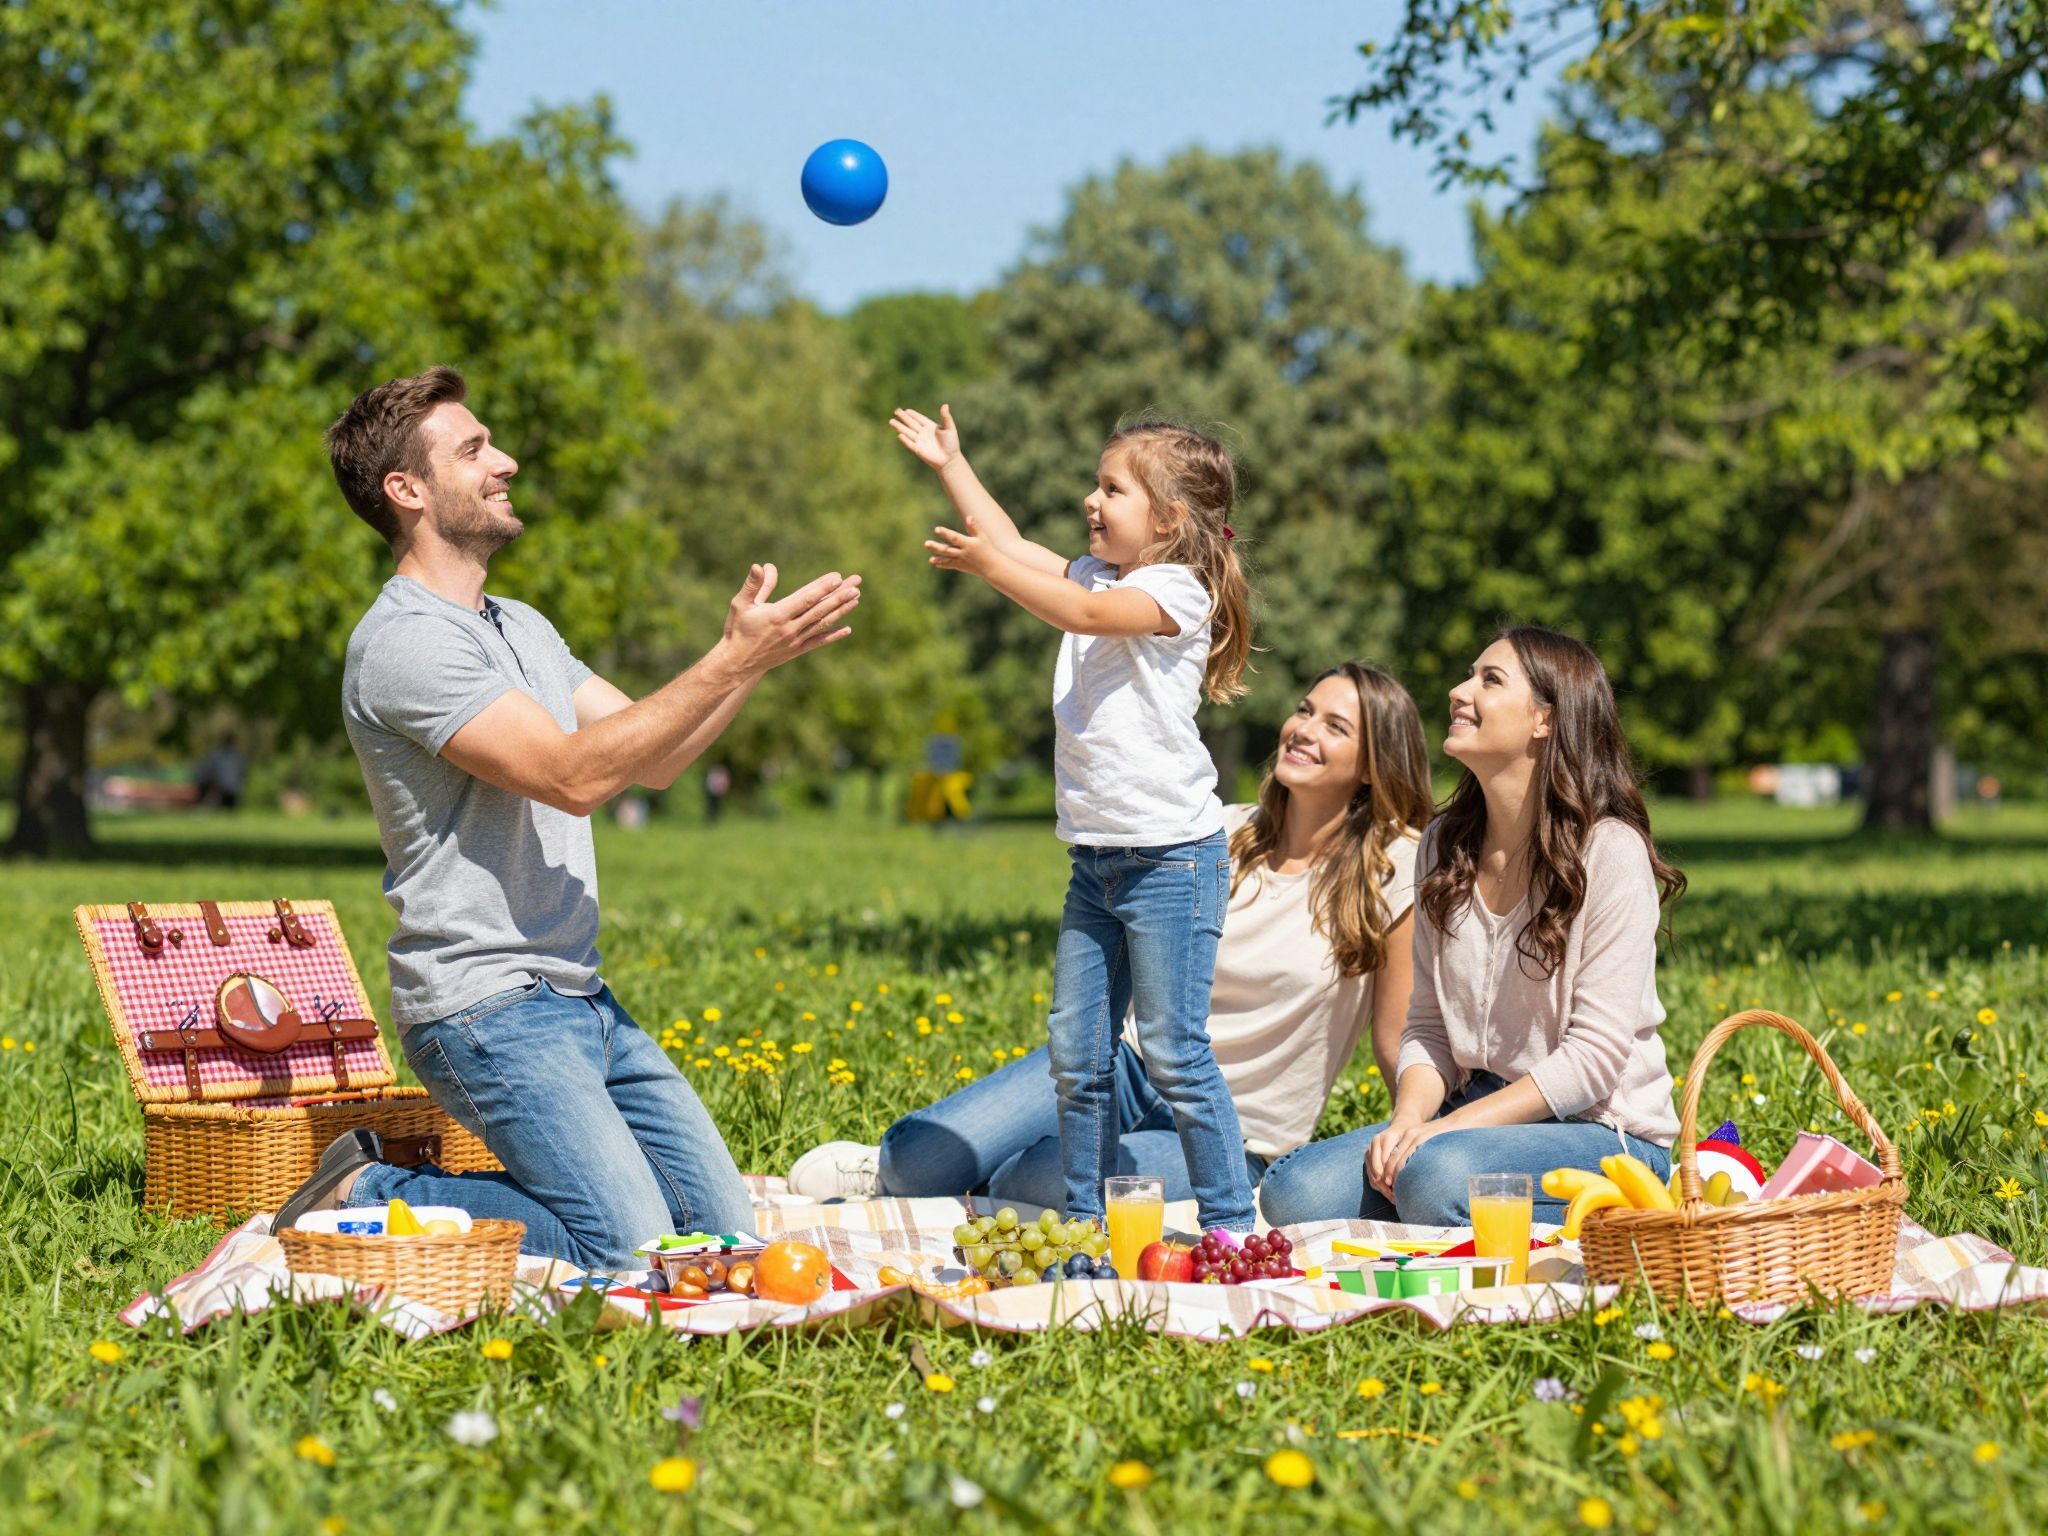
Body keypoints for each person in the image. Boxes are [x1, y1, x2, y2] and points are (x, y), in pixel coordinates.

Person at [273, 366, 862, 1268]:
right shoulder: (406, 644)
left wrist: (746, 663)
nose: (505, 461)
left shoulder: (523, 625)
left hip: (582, 996)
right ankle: (374, 1185)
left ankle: (535, 1195)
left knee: (726, 1239)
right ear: (408, 491)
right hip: (484, 1006)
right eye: (473, 450)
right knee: (637, 1253)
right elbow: (570, 777)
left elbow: (654, 759)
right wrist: (728, 660)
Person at [788, 662, 1434, 1212]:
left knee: (1039, 1176)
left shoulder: (1394, 871)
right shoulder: (1215, 833)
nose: (1302, 730)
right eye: (1305, 710)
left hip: (1235, 1133)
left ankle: (996, 1178)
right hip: (1123, 1068)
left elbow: (1395, 1036)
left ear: (1374, 766)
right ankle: (911, 1171)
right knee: (916, 1161)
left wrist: (1420, 1134)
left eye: (1335, 726)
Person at [886, 405, 1258, 1232]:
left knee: (1172, 1051)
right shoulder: (1098, 573)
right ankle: (1086, 1224)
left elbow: (1077, 614)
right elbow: (1010, 541)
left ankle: (1233, 1224)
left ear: (1166, 519)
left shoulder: (1175, 590)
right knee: (1077, 1056)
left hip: (1172, 862)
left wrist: (990, 569)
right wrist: (952, 463)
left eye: (1111, 488)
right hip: (1098, 863)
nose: (1092, 500)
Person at [1257, 627, 1686, 1229]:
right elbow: (1429, 1026)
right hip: (1475, 1113)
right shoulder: (1443, 845)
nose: (1460, 691)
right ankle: (1439, 1201)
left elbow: (1592, 1058)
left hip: (1601, 1135)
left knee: (1434, 1177)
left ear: (1544, 719)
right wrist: (1410, 1119)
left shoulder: (1609, 851)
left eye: (1490, 679)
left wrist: (1440, 1133)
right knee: (1293, 1193)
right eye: (1469, 675)